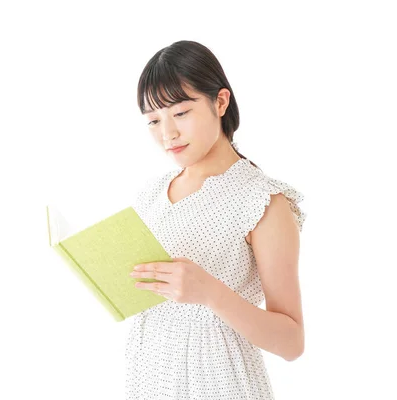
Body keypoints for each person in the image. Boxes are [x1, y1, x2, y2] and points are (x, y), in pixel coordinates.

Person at [126, 40, 307, 399]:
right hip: (150, 376)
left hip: (220, 382)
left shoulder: (263, 201)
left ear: (220, 102)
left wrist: (210, 293)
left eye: (180, 113)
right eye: (153, 120)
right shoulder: (151, 194)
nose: (167, 134)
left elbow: (292, 342)